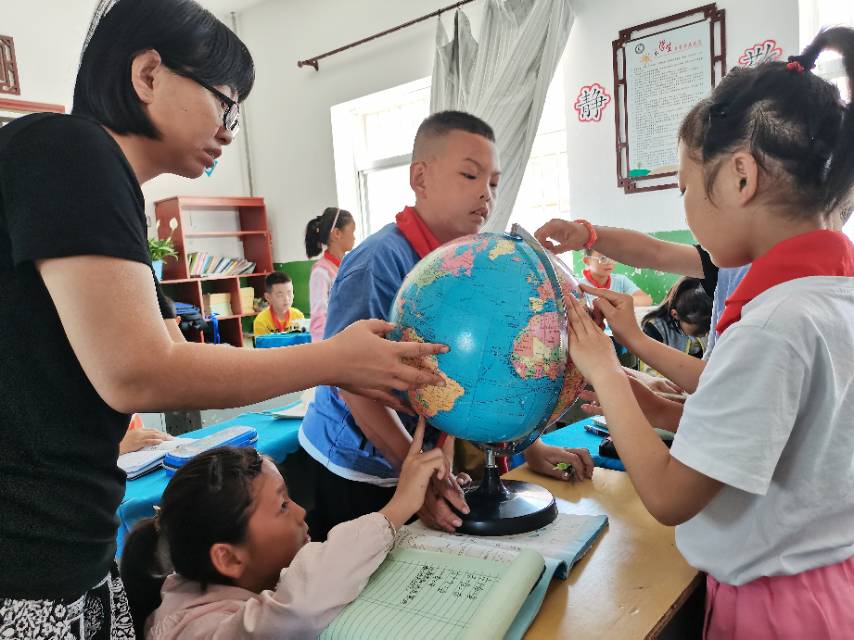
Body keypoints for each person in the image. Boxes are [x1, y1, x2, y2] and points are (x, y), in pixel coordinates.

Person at [0, 1, 445, 635]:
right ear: (148, 74)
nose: (230, 130)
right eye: (225, 104)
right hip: (28, 569)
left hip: (67, 551)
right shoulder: (71, 149)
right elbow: (137, 371)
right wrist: (333, 360)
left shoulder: (96, 183)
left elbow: (147, 364)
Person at [563, 29, 854, 638]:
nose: (686, 209)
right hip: (826, 586)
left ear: (740, 177)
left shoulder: (773, 325)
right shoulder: (826, 300)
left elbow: (669, 497)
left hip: (774, 612)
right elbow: (775, 440)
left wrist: (607, 371)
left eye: (685, 188)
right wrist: (653, 407)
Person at [299, 111, 594, 541]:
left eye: (493, 182)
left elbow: (487, 365)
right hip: (359, 466)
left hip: (419, 461)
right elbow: (352, 384)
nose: (485, 194)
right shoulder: (378, 263)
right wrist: (416, 478)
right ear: (420, 178)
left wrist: (533, 447)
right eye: (470, 175)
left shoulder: (471, 261)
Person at [122, 418, 446, 639]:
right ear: (228, 558)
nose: (301, 511)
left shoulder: (215, 578)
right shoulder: (202, 630)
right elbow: (300, 607)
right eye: (282, 505)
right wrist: (398, 508)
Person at [305, 207, 356, 342]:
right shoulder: (321, 272)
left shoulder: (347, 266)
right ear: (337, 233)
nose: (354, 237)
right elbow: (319, 316)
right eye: (352, 231)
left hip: (349, 337)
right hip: (332, 343)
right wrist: (323, 348)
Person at [640, 277, 711, 361]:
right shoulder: (655, 328)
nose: (705, 334)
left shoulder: (708, 318)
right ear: (675, 314)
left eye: (708, 326)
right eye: (699, 331)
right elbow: (650, 364)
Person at [581, 248, 652, 305]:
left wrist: (617, 301)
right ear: (587, 261)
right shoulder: (579, 286)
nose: (609, 262)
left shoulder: (621, 280)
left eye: (612, 257)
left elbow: (646, 300)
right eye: (602, 258)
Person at [253, 272, 305, 336]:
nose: (286, 299)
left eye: (289, 293)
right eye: (280, 295)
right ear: (268, 297)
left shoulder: (298, 316)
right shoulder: (261, 321)